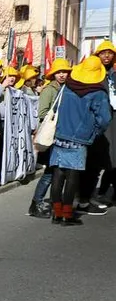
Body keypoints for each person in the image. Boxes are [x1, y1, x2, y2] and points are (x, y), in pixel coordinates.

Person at [49, 56, 112, 225]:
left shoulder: (67, 86)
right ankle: (68, 215)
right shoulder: (97, 92)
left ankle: (56, 213)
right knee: (72, 175)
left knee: (58, 173)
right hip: (80, 138)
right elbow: (105, 119)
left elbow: (55, 108)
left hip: (60, 134)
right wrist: (94, 132)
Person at [28, 59, 73, 218]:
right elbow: (42, 113)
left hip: (63, 136)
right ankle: (36, 203)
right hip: (52, 136)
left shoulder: (67, 88)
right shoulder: (49, 90)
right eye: (59, 72)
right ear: (54, 74)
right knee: (50, 172)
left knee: (60, 172)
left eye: (65, 72)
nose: (62, 75)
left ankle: (55, 203)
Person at [79, 41, 116, 211]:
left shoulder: (114, 74)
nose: (107, 56)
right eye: (103, 53)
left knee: (112, 158)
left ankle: (106, 193)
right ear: (97, 55)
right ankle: (84, 197)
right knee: (94, 160)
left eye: (110, 53)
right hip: (97, 121)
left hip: (112, 119)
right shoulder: (92, 75)